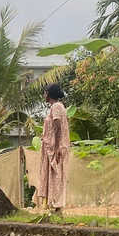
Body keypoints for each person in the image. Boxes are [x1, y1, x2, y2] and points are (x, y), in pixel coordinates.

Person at [36, 83, 69, 214]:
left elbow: (57, 125)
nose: (44, 95)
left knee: (56, 175)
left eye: (45, 92)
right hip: (55, 146)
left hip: (54, 147)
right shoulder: (60, 107)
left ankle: (56, 204)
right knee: (56, 175)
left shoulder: (55, 107)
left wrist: (55, 145)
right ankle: (54, 205)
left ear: (48, 94)